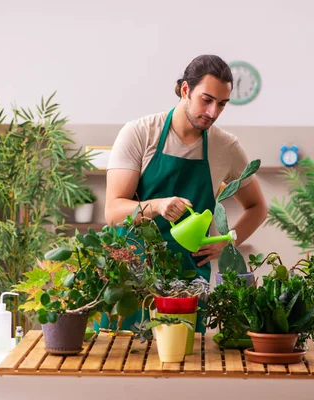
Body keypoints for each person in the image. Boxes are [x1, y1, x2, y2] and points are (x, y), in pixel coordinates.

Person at [103, 54, 268, 332]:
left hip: (189, 282)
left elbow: (257, 207)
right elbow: (113, 212)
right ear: (185, 90)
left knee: (186, 367)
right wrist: (157, 206)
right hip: (131, 278)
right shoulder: (141, 133)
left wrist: (228, 243)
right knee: (122, 362)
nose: (213, 112)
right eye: (207, 100)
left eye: (222, 104)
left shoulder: (225, 147)